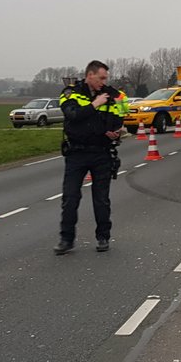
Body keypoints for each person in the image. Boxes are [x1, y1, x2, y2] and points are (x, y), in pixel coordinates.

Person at [55, 61, 129, 255]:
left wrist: (116, 131)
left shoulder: (111, 95)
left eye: (106, 78)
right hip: (76, 153)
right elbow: (72, 115)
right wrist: (95, 104)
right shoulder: (71, 93)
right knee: (70, 197)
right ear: (90, 75)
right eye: (101, 78)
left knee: (101, 198)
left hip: (101, 152)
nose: (104, 82)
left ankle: (103, 237)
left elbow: (120, 117)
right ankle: (66, 239)